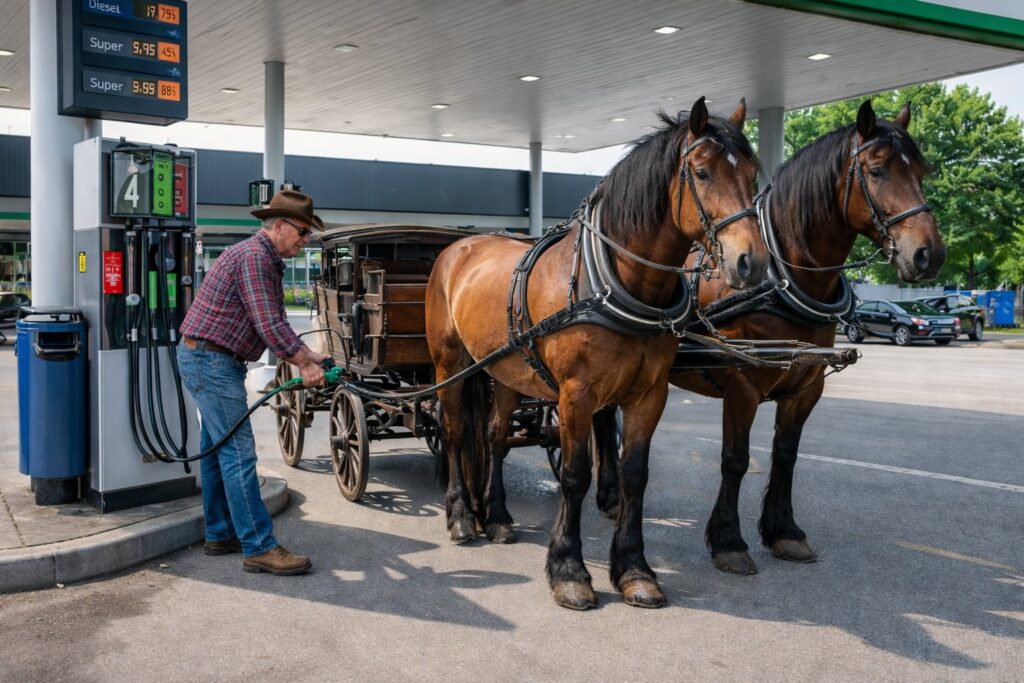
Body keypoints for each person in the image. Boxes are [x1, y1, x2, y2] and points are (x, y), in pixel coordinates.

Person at [177, 189, 328, 575]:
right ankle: (259, 546)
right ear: (279, 226)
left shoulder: (260, 257)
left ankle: (220, 532)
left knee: (216, 449)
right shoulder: (255, 258)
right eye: (303, 232)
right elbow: (269, 323)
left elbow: (271, 324)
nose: (305, 240)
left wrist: (309, 356)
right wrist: (303, 364)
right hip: (211, 362)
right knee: (239, 455)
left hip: (207, 357)